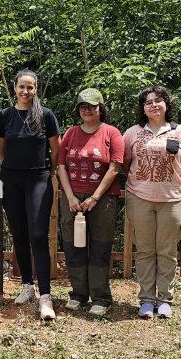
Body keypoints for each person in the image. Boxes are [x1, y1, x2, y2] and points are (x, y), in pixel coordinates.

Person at [122, 85, 181, 319]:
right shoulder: (132, 133)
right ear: (142, 109)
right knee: (144, 250)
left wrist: (171, 181)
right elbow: (125, 163)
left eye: (158, 100)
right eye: (148, 102)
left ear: (166, 104)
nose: (154, 105)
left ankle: (164, 300)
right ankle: (146, 299)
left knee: (166, 251)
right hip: (139, 198)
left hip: (172, 199)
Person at [0, 68, 60, 320]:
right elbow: (0, 150)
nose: (25, 91)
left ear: (36, 89)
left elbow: (55, 150)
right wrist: (14, 168)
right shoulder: (5, 116)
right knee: (19, 233)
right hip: (11, 179)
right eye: (21, 87)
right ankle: (27, 286)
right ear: (14, 88)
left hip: (39, 179)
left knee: (37, 234)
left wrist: (47, 172)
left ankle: (45, 295)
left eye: (30, 87)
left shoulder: (46, 115)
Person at [56, 88, 124, 316]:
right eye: (83, 106)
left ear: (100, 108)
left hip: (102, 199)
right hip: (73, 199)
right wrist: (70, 196)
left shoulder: (111, 133)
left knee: (100, 247)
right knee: (74, 246)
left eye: (92, 106)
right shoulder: (70, 133)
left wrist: (95, 196)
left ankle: (101, 297)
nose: (87, 110)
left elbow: (115, 167)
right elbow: (61, 166)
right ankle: (78, 294)